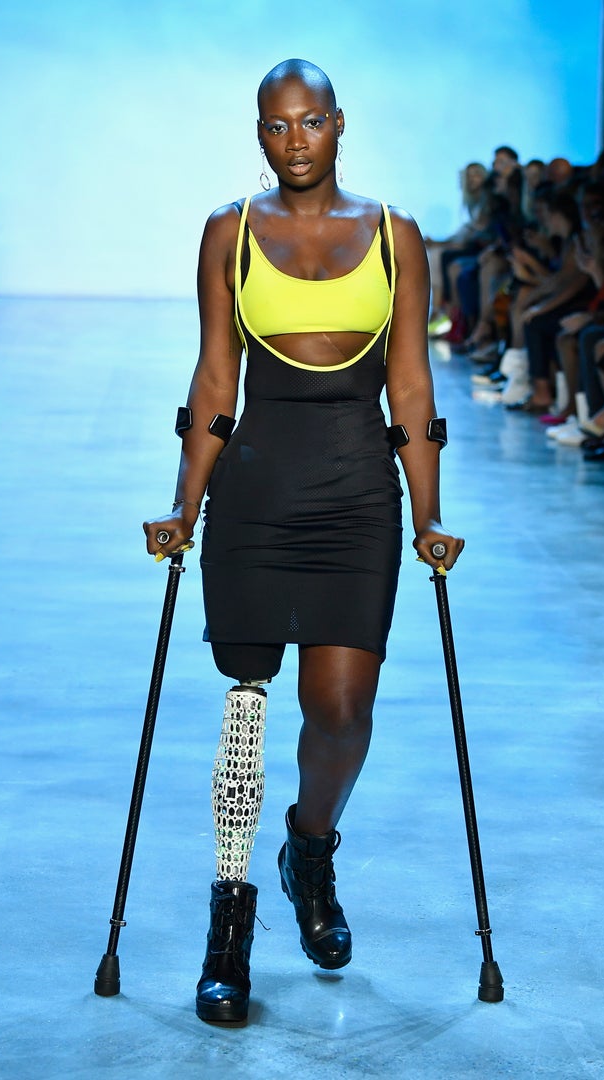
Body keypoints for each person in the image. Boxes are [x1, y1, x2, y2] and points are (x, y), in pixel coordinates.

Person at [142, 58, 464, 1025]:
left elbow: (411, 387)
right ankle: (228, 925)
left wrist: (427, 513)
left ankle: (309, 845)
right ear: (259, 133)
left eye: (309, 122)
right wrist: (184, 506)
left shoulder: (395, 234)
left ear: (339, 124)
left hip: (358, 491)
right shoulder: (228, 233)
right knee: (248, 703)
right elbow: (212, 379)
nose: (294, 141)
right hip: (256, 491)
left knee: (341, 711)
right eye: (275, 127)